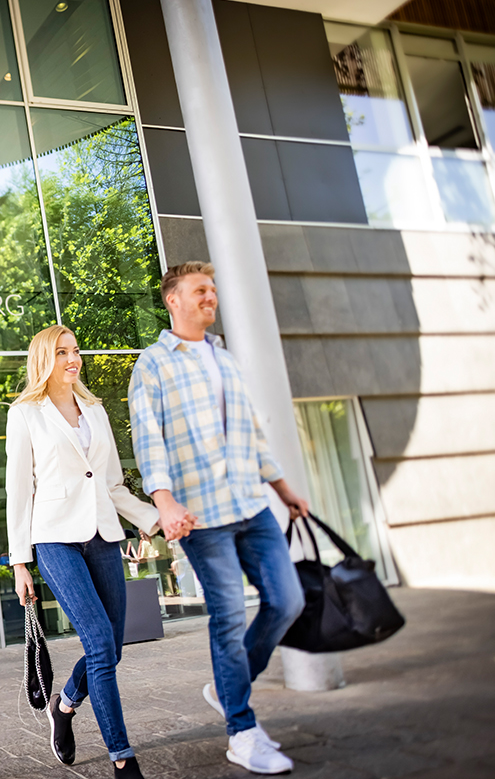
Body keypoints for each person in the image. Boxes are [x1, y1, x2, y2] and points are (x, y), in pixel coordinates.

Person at [128, 262, 308, 775]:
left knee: (288, 600)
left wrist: (283, 488)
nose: (210, 297)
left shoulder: (224, 358)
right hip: (201, 515)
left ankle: (227, 687)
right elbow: (149, 439)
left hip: (251, 505)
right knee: (229, 616)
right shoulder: (154, 364)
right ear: (173, 300)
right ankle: (242, 730)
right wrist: (164, 501)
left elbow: (251, 431)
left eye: (212, 290)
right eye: (199, 290)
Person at [6, 324, 193, 779]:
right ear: (44, 359)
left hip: (104, 536)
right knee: (98, 642)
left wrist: (156, 520)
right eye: (63, 352)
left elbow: (110, 484)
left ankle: (64, 706)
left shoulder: (94, 409)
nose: (73, 359)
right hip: (54, 539)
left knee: (112, 649)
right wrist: (19, 561)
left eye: (76, 350)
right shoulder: (26, 412)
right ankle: (123, 758)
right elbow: (19, 490)